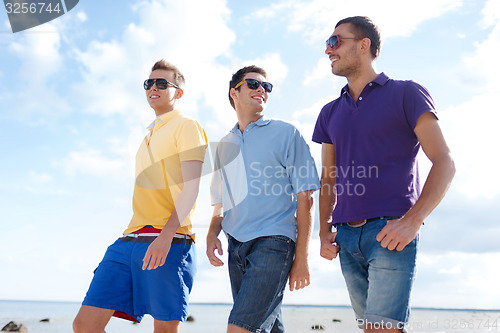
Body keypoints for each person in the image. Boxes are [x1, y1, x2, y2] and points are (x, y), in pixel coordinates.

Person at [313, 16, 455, 333]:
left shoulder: (407, 94)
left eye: (335, 41)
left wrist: (413, 220)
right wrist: (323, 230)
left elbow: (445, 162)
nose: (328, 49)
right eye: (327, 43)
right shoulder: (329, 112)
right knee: (375, 330)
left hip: (391, 231)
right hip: (346, 238)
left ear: (364, 45)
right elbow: (328, 179)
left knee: (381, 329)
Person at [73, 60, 208, 333]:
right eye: (149, 83)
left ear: (178, 92)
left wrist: (166, 236)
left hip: (168, 239)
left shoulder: (187, 125)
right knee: (85, 325)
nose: (153, 88)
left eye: (162, 83)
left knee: (164, 330)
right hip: (129, 239)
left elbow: (191, 188)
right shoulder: (147, 134)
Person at [206, 65, 320, 333]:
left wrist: (302, 258)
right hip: (236, 247)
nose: (262, 90)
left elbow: (306, 198)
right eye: (254, 84)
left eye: (267, 87)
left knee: (240, 328)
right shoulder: (224, 145)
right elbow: (221, 202)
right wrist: (213, 233)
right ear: (234, 92)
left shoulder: (286, 133)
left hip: (274, 243)